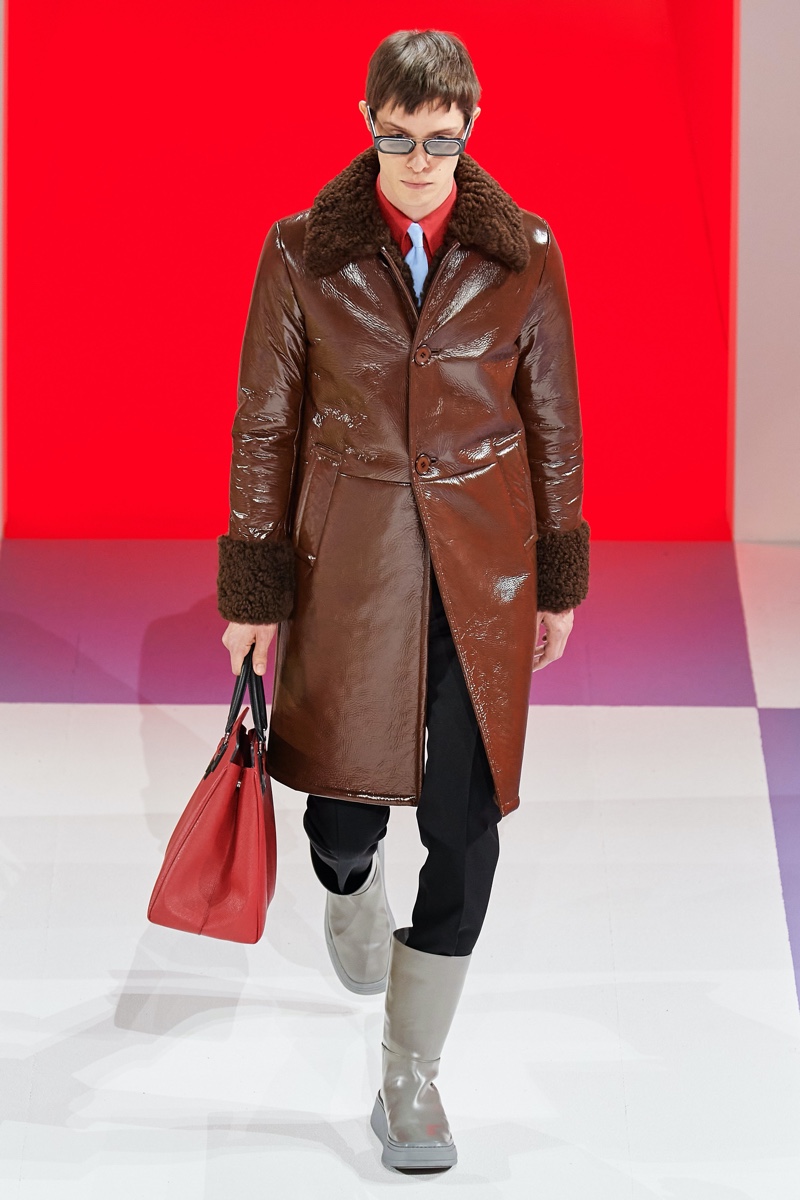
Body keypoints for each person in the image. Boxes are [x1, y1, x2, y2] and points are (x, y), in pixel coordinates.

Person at [216, 28, 590, 1174]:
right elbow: (265, 424)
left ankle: (409, 1075)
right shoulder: (301, 252)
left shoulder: (523, 253)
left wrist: (557, 576)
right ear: (365, 121)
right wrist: (254, 588)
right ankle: (346, 880)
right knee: (341, 820)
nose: (420, 161)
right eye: (398, 136)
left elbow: (553, 422)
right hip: (351, 569)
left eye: (441, 138)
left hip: (484, 569)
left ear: (470, 128)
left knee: (465, 829)